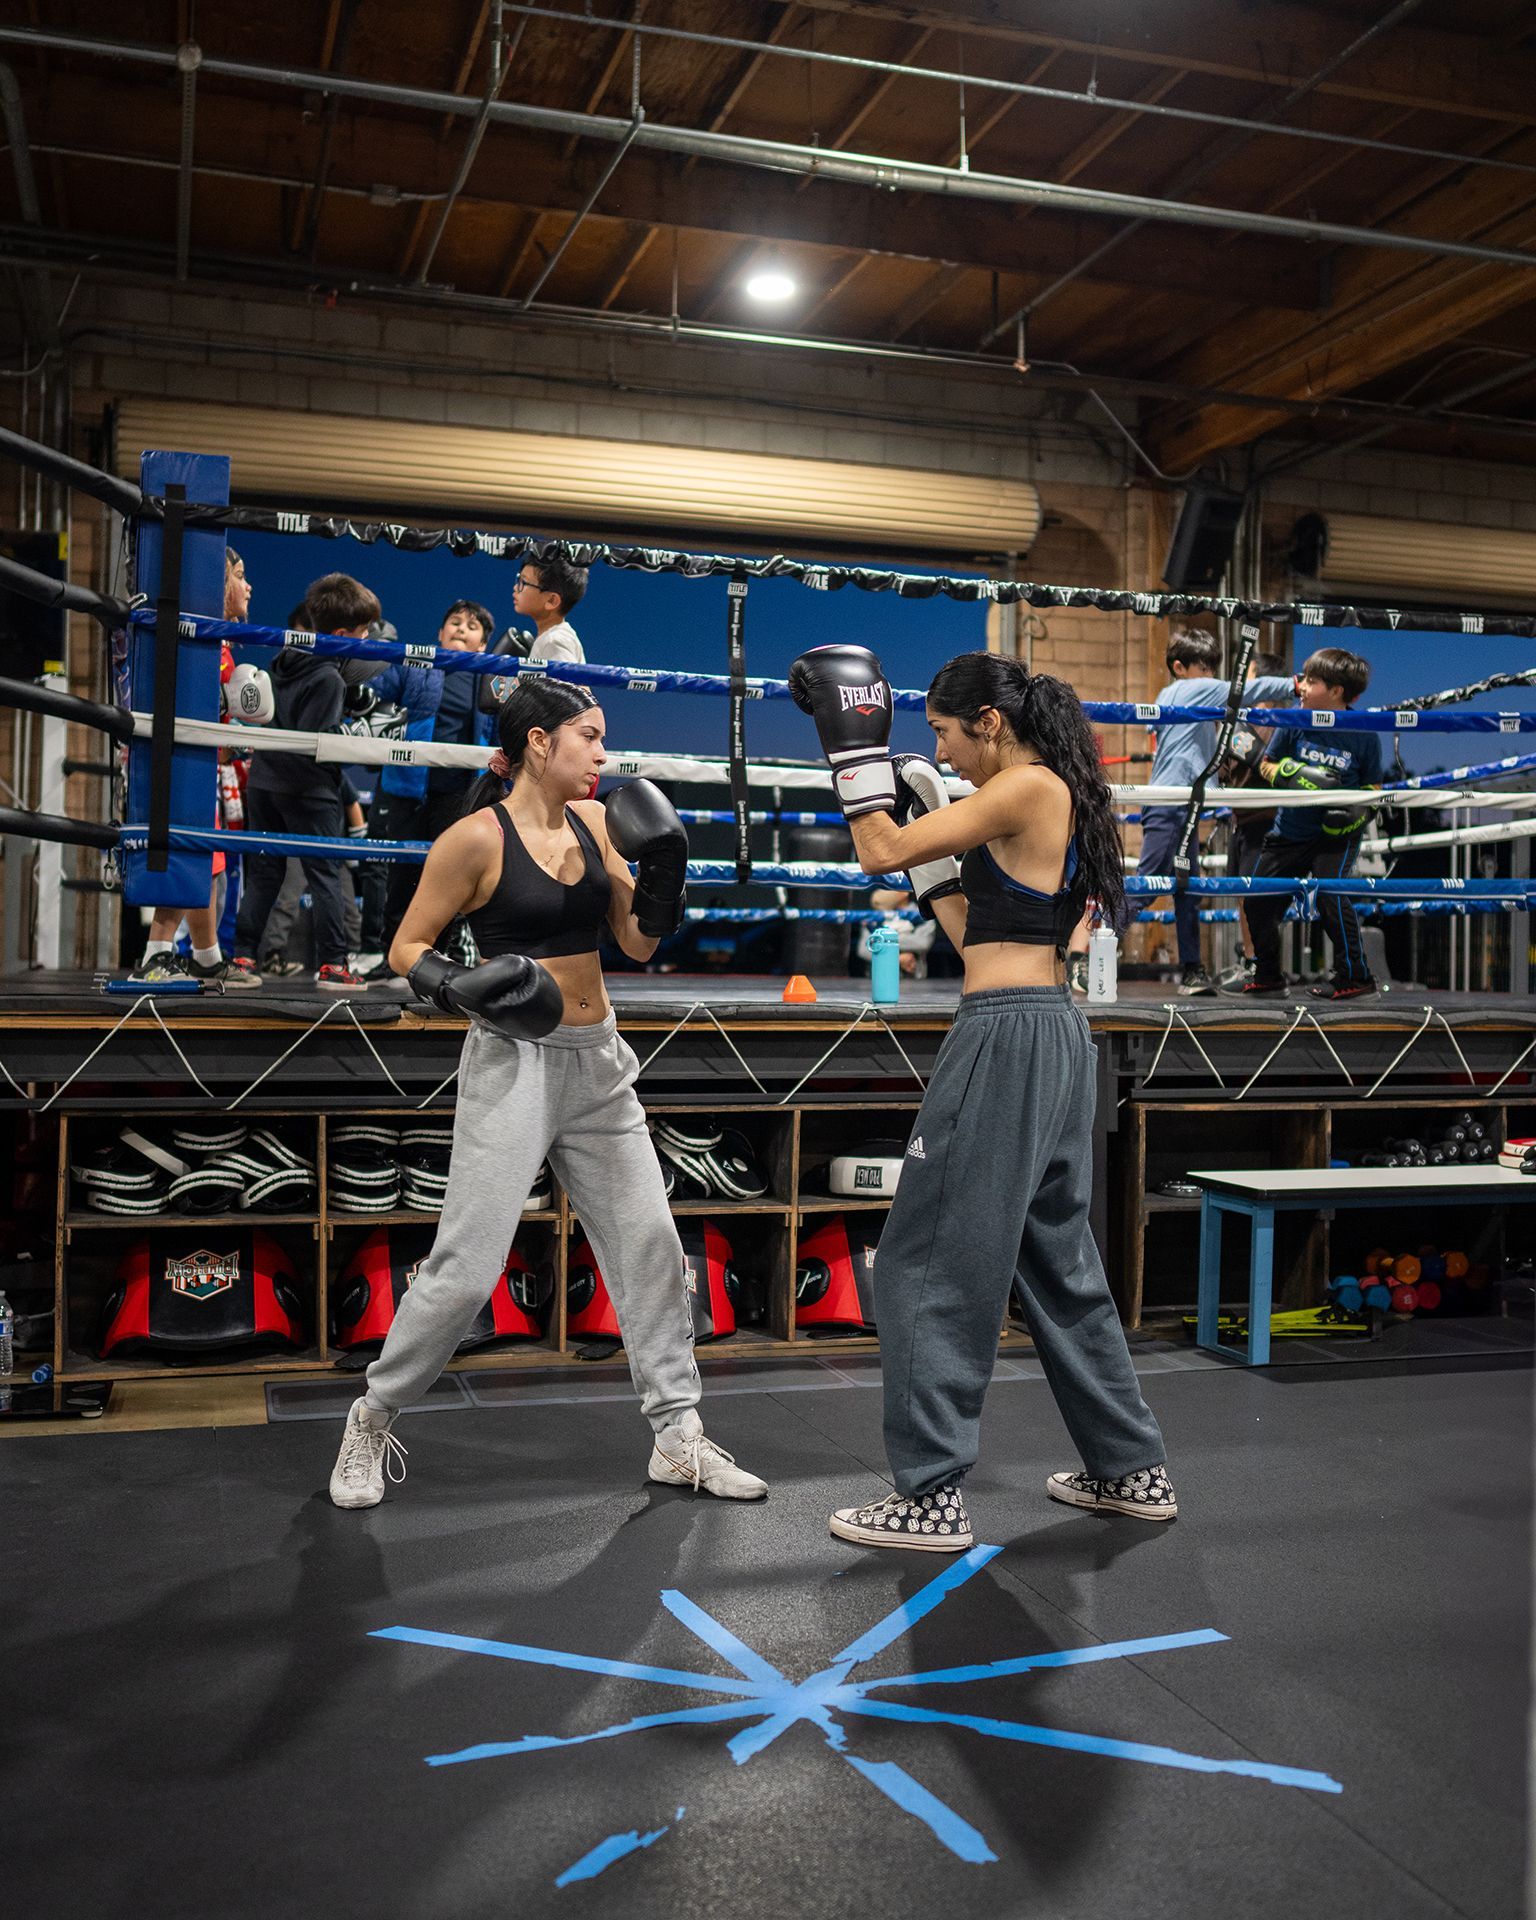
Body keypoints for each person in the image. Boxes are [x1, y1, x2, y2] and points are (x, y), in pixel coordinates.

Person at [327, 678, 767, 1510]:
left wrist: (666, 870)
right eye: (590, 737)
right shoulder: (473, 840)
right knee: (465, 1268)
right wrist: (459, 987)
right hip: (513, 1061)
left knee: (650, 1246)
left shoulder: (598, 823)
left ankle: (678, 1436)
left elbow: (636, 941)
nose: (604, 755)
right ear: (539, 742)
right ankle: (372, 1415)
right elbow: (405, 948)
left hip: (599, 1061)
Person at [789, 643, 1175, 1550]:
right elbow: (973, 931)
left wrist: (852, 756)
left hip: (1006, 1038)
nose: (945, 751)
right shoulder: (1051, 798)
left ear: (990, 723)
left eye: (946, 734)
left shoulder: (1027, 788)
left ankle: (930, 1494)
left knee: (929, 1259)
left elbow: (874, 851)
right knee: (1057, 1263)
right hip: (1051, 1031)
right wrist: (933, 820)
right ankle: (1130, 1465)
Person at [229, 573, 383, 991]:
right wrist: (356, 735)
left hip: (264, 782)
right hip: (308, 788)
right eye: (362, 632)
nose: (367, 639)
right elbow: (321, 742)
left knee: (264, 873)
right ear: (339, 634)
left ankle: (242, 959)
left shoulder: (282, 661)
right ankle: (334, 964)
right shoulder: (329, 678)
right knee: (325, 874)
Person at [128, 547, 267, 988]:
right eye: (240, 575)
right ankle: (157, 953)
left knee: (207, 859)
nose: (248, 586)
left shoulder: (218, 641)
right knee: (190, 853)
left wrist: (228, 739)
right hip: (175, 762)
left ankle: (206, 957)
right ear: (217, 583)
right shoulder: (197, 637)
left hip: (195, 760)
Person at [1139, 630, 1295, 998]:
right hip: (1172, 803)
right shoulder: (1195, 691)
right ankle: (1088, 944)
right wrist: (1295, 683)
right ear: (1180, 667)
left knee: (1188, 889)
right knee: (1147, 886)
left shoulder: (1171, 695)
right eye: (1203, 667)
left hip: (1190, 803)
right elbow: (1244, 692)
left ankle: (1193, 969)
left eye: (1213, 667)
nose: (1210, 674)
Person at [1227, 646, 1382, 1002]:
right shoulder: (1295, 721)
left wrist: (1358, 813)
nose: (1303, 688)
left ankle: (1356, 976)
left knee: (1331, 896)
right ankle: (1268, 976)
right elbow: (1266, 764)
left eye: (1312, 681)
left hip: (1335, 838)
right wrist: (1290, 773)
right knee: (1258, 898)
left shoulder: (1363, 732)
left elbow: (1375, 788)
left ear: (1337, 691)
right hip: (1290, 831)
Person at [359, 599, 497, 980]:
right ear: (440, 633)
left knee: (450, 878)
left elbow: (503, 733)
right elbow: (372, 693)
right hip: (408, 787)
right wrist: (364, 671)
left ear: (483, 643)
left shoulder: (491, 677)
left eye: (471, 626)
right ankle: (394, 959)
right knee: (401, 874)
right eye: (454, 622)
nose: (460, 629)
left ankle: (436, 961)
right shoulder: (417, 664)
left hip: (461, 793)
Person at [1216, 649, 1287, 990]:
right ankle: (1251, 960)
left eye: (1252, 677)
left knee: (1257, 896)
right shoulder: (1242, 720)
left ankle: (1264, 967)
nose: (1245, 683)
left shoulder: (1279, 721)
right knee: (1242, 895)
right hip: (1241, 818)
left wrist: (1235, 737)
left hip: (1268, 820)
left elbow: (1268, 766)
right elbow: (1227, 769)